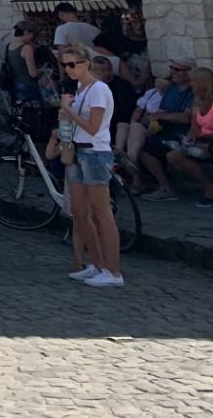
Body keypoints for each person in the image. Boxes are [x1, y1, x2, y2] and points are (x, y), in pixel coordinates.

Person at [54, 46, 122, 284]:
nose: (68, 69)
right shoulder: (81, 90)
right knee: (80, 213)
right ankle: (97, 263)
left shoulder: (98, 90)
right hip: (77, 152)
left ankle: (113, 271)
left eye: (73, 64)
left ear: (86, 63)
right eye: (65, 65)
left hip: (94, 153)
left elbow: (93, 127)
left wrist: (67, 110)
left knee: (102, 213)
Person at [134, 59, 197, 197]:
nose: (172, 72)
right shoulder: (172, 89)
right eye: (172, 68)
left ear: (189, 73)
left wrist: (163, 116)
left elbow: (186, 117)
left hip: (182, 133)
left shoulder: (192, 92)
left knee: (157, 149)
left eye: (177, 70)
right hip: (165, 129)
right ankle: (164, 185)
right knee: (143, 147)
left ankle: (166, 187)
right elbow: (162, 110)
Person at [163, 65, 213, 206]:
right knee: (173, 155)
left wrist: (206, 142)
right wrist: (190, 139)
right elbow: (194, 127)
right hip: (202, 141)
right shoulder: (197, 102)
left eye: (194, 81)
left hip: (211, 143)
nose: (191, 84)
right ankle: (208, 185)